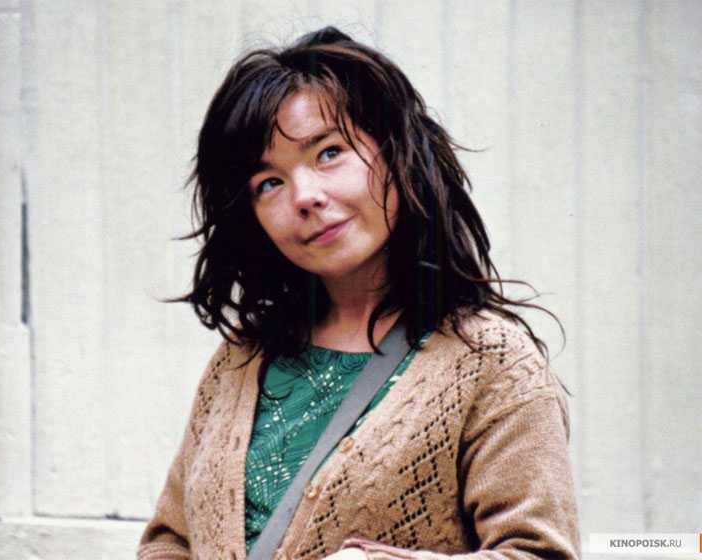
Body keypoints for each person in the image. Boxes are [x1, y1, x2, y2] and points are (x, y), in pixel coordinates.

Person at [137, 27, 580, 560]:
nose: (305, 196)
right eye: (269, 183)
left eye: (328, 153)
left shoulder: (493, 363)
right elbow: (170, 540)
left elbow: (539, 553)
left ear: (397, 155)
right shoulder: (242, 358)